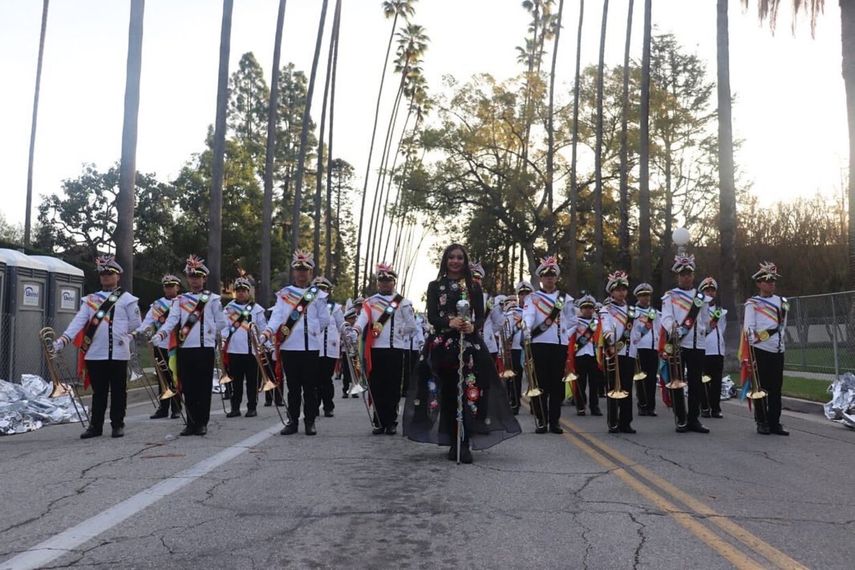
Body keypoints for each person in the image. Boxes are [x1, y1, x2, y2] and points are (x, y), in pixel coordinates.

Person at [403, 243, 521, 463]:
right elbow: (433, 317)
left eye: (459, 258)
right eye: (451, 257)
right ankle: (453, 440)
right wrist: (450, 321)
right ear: (445, 260)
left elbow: (479, 317)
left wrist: (472, 326)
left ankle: (465, 441)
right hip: (443, 347)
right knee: (448, 394)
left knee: (469, 393)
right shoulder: (434, 286)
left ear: (464, 261)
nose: (455, 261)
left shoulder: (473, 286)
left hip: (469, 347)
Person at [54, 255, 141, 439]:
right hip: (95, 353)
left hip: (118, 352)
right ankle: (96, 426)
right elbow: (78, 322)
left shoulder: (127, 299)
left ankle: (118, 424)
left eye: (109, 273)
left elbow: (135, 323)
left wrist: (121, 333)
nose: (105, 277)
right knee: (99, 392)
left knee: (118, 391)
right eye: (102, 274)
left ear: (118, 276)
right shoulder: (90, 300)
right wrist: (63, 339)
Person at [152, 255, 227, 436]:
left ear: (204, 278)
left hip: (204, 348)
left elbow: (222, 322)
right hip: (185, 349)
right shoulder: (180, 300)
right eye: (191, 276)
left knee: (202, 388)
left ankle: (202, 422)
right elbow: (171, 321)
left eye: (198, 276)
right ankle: (191, 422)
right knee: (188, 387)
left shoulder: (213, 299)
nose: (195, 280)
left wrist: (210, 332)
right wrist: (161, 333)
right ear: (188, 279)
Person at [260, 251, 330, 436]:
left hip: (310, 348)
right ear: (293, 272)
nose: (301, 273)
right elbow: (276, 317)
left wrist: (312, 332)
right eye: (298, 270)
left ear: (311, 272)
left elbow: (324, 320)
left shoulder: (318, 295)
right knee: (293, 388)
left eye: (305, 270)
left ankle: (309, 422)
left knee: (310, 388)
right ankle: (292, 422)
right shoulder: (284, 294)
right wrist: (267, 333)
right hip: (290, 347)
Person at [351, 263, 416, 435]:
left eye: (389, 280)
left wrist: (401, 332)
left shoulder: (403, 302)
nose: (385, 283)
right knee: (377, 386)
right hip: (376, 350)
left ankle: (391, 421)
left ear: (394, 282)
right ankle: (379, 420)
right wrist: (355, 330)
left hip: (395, 349)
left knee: (393, 387)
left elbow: (411, 326)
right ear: (378, 282)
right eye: (382, 280)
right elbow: (362, 320)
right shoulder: (370, 302)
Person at [522, 256, 577, 434]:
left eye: (552, 275)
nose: (549, 278)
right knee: (541, 384)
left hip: (558, 345)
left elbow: (573, 321)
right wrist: (528, 329)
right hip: (539, 344)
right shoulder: (532, 298)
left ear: (556, 277)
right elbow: (528, 316)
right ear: (541, 278)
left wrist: (565, 335)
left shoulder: (565, 298)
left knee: (557, 386)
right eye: (546, 275)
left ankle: (555, 421)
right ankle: (541, 420)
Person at [660, 254, 710, 434]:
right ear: (678, 276)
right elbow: (665, 317)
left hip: (698, 344)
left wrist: (703, 331)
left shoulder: (701, 297)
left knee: (696, 383)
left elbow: (705, 319)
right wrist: (672, 328)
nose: (686, 277)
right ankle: (681, 418)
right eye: (682, 274)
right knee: (678, 382)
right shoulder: (670, 296)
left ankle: (693, 419)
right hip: (679, 343)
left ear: (693, 275)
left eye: (689, 273)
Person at [742, 262, 789, 436]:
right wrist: (759, 339)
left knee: (776, 388)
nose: (771, 284)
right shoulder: (752, 303)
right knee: (760, 388)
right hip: (760, 350)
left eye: (773, 280)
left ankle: (774, 422)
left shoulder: (783, 302)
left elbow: (783, 326)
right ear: (759, 283)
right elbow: (748, 329)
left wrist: (779, 342)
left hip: (777, 350)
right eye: (767, 280)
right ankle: (761, 421)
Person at [136, 274, 183, 420]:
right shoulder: (157, 305)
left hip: (176, 345)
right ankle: (163, 407)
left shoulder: (182, 302)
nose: (169, 289)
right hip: (160, 344)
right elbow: (148, 321)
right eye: (166, 286)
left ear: (177, 287)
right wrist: (139, 330)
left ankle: (176, 407)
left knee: (175, 375)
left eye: (171, 286)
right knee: (162, 376)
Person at [600, 271, 639, 434]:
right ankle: (613, 422)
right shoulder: (606, 309)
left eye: (623, 289)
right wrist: (611, 339)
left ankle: (626, 422)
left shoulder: (633, 310)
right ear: (611, 292)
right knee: (613, 388)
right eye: (617, 290)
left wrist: (642, 332)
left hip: (629, 353)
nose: (621, 293)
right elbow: (606, 327)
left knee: (627, 389)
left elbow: (636, 332)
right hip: (613, 352)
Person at [221, 277, 266, 418]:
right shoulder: (228, 309)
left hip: (252, 351)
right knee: (236, 382)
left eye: (243, 291)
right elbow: (224, 327)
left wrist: (265, 343)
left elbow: (262, 327)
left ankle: (252, 407)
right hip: (234, 350)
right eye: (238, 291)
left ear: (248, 292)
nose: (240, 293)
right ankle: (235, 408)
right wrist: (222, 340)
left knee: (252, 382)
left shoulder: (257, 309)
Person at [313, 276, 343, 418]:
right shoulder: (310, 306)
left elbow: (341, 325)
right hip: (313, 349)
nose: (321, 292)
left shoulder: (335, 308)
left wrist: (349, 334)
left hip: (330, 349)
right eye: (318, 289)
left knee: (326, 378)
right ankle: (314, 405)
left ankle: (328, 406)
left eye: (324, 289)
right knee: (314, 379)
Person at [570, 295, 602, 417]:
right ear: (581, 309)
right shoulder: (576, 322)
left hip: (594, 355)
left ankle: (595, 406)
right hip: (580, 355)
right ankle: (580, 406)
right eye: (585, 307)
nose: (588, 310)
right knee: (580, 383)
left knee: (594, 383)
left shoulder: (598, 323)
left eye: (590, 307)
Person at [632, 283, 659, 417]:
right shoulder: (634, 312)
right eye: (642, 295)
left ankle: (651, 406)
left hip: (653, 348)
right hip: (640, 347)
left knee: (652, 379)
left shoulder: (655, 313)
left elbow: (659, 330)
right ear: (637, 296)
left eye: (647, 295)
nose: (645, 298)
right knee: (641, 379)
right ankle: (642, 405)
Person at [700, 277, 726, 419]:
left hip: (717, 349)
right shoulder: (700, 308)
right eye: (707, 290)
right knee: (704, 379)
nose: (710, 293)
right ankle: (704, 406)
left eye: (712, 290)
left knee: (717, 380)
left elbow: (722, 328)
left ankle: (715, 407)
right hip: (704, 348)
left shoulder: (720, 311)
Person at [502, 295, 523, 414]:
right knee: (514, 377)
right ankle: (514, 401)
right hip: (515, 348)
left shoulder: (506, 315)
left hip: (514, 348)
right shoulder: (523, 313)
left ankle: (514, 402)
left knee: (513, 377)